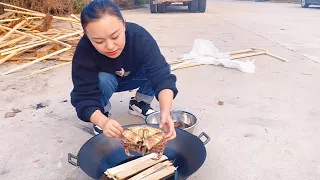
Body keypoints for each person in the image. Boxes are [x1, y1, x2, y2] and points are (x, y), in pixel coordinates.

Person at [70, 0, 178, 140]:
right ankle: (102, 112)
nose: (110, 46)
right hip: (106, 83)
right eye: (98, 41)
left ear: (124, 24)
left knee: (161, 66)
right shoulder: (84, 51)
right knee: (102, 79)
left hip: (135, 76)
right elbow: (83, 97)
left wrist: (165, 111)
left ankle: (139, 103)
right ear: (86, 35)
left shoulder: (140, 38)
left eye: (115, 36)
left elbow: (162, 77)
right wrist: (103, 122)